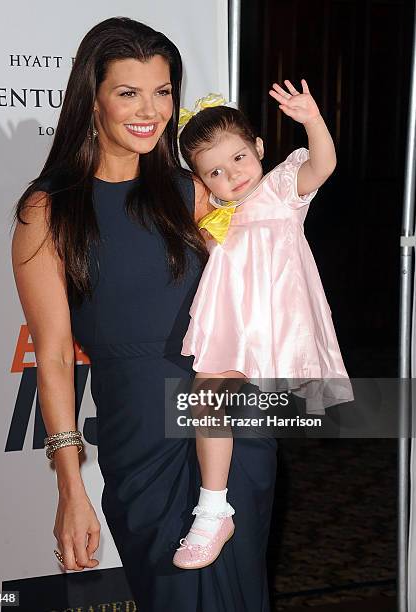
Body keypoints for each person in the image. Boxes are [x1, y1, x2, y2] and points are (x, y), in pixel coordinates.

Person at [10, 16, 277, 611]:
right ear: (93, 98)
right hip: (141, 436)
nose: (150, 110)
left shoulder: (201, 190)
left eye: (163, 91)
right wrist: (70, 485)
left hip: (232, 426)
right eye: (128, 92)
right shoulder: (49, 209)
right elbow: (52, 355)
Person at [173, 80, 353, 569]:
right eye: (214, 171)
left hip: (272, 322)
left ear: (258, 148)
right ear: (202, 180)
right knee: (205, 399)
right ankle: (213, 509)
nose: (231, 176)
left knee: (254, 420)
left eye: (238, 159)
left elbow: (324, 165)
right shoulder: (213, 216)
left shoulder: (279, 187)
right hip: (231, 327)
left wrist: (312, 119)